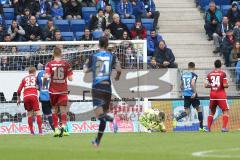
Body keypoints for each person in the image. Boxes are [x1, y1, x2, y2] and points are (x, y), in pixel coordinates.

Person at [83, 36, 121, 147]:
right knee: (103, 115)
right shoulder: (112, 56)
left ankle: (113, 120)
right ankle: (97, 141)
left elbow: (85, 70)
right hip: (107, 88)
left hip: (97, 87)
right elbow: (119, 69)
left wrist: (87, 65)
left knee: (99, 115)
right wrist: (117, 77)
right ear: (107, 44)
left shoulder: (93, 56)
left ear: (98, 44)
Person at [43, 47, 73, 137]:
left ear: (53, 54)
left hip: (53, 91)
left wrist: (44, 85)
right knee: (63, 110)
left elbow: (46, 76)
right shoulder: (66, 64)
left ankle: (56, 129)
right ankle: (64, 128)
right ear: (61, 54)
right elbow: (71, 79)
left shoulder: (49, 64)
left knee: (54, 110)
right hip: (63, 90)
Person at [173, 62, 206, 132]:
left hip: (186, 95)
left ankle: (176, 118)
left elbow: (181, 86)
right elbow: (192, 83)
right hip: (193, 95)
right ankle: (201, 128)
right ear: (194, 67)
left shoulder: (183, 75)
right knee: (199, 109)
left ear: (188, 67)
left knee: (187, 112)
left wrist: (184, 91)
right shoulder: (194, 75)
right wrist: (194, 92)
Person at [204, 60, 229, 132]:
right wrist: (227, 85)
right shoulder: (223, 74)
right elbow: (224, 85)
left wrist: (213, 86)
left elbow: (205, 85)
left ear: (214, 65)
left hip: (212, 95)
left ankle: (208, 128)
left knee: (212, 112)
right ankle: (224, 128)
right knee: (225, 111)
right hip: (220, 95)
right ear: (221, 65)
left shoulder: (209, 74)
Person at [17, 67, 42, 135]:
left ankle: (31, 132)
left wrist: (18, 98)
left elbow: (19, 90)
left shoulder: (24, 79)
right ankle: (40, 132)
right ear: (34, 72)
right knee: (38, 113)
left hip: (26, 97)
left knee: (29, 114)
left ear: (29, 72)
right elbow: (40, 87)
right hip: (33, 95)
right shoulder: (36, 78)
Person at [37, 66, 55, 131]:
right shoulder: (51, 73)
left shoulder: (40, 73)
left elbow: (37, 86)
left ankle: (46, 124)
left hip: (43, 95)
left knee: (46, 112)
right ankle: (55, 127)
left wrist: (40, 89)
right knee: (51, 112)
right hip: (51, 95)